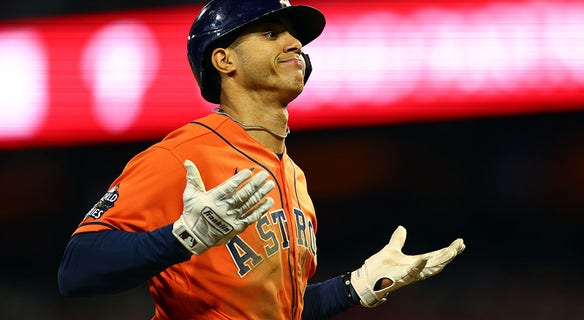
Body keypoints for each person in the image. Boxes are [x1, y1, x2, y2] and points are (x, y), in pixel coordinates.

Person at [57, 0, 466, 319]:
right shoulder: (181, 155)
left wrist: (353, 286)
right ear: (224, 61)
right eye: (271, 33)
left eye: (295, 37)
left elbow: (280, 311)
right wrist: (181, 237)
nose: (294, 45)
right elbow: (75, 270)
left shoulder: (293, 175)